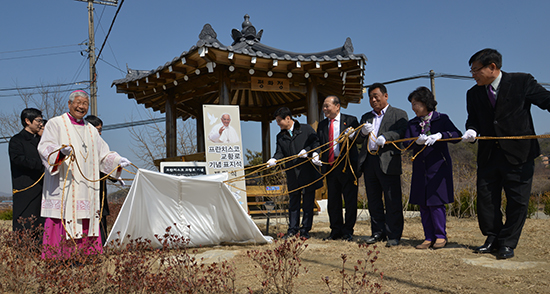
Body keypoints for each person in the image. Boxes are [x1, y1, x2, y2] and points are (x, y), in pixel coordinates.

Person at [463, 48, 550, 259]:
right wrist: (472, 130)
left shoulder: (522, 82)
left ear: (492, 67)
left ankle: (508, 242)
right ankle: (492, 237)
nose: (473, 74)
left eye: (476, 70)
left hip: (519, 154)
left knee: (517, 201)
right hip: (489, 154)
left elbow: (546, 101)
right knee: (486, 199)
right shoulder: (473, 93)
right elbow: (472, 119)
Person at [38, 90, 131, 259]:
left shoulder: (91, 130)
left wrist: (117, 161)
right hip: (64, 183)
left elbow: (103, 154)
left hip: (87, 187)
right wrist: (60, 153)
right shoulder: (56, 123)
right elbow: (44, 147)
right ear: (69, 104)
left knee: (87, 217)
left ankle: (86, 255)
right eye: (78, 103)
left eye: (85, 104)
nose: (81, 107)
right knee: (63, 217)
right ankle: (60, 257)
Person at [404, 87, 462, 249]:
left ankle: (440, 236)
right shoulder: (412, 123)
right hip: (420, 168)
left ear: (426, 103)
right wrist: (416, 141)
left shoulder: (441, 119)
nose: (413, 107)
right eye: (412, 104)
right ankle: (428, 237)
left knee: (436, 202)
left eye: (416, 103)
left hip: (438, 167)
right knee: (423, 203)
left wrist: (441, 135)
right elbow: (405, 143)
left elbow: (457, 135)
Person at [356, 83, 408, 247]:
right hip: (369, 162)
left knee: (392, 200)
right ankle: (377, 232)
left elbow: (402, 132)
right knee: (374, 200)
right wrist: (362, 132)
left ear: (385, 96)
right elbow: (357, 140)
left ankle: (393, 234)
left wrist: (386, 136)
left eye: (376, 96)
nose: (373, 100)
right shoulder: (366, 116)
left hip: (388, 160)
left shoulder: (398, 114)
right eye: (370, 97)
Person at [266, 107, 322, 239]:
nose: (278, 124)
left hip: (307, 172)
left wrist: (308, 151)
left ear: (288, 118)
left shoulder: (306, 129)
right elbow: (280, 152)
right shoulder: (280, 136)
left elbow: (316, 143)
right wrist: (275, 159)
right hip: (292, 173)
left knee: (308, 203)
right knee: (293, 203)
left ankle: (305, 230)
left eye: (279, 121)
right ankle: (292, 229)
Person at [317, 96, 359, 241]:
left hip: (347, 165)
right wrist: (316, 155)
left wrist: (353, 135)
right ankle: (335, 230)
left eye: (327, 106)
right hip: (330, 165)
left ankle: (348, 231)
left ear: (337, 106)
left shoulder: (351, 120)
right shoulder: (322, 125)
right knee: (333, 201)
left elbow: (360, 139)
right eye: (323, 106)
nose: (324, 109)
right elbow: (319, 143)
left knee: (350, 200)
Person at [85, 115, 122, 246]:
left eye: (101, 130)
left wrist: (116, 170)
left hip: (100, 192)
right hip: (84, 193)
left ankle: (101, 247)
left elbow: (107, 167)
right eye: (97, 130)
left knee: (101, 221)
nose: (100, 133)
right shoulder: (80, 146)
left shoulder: (102, 146)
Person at [9, 108, 46, 235]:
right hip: (26, 190)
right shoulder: (17, 140)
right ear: (27, 121)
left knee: (41, 227)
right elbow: (18, 160)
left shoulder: (41, 141)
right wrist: (41, 165)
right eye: (38, 120)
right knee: (25, 226)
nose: (41, 124)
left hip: (43, 191)